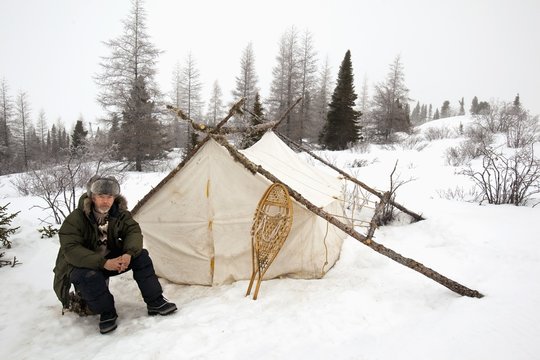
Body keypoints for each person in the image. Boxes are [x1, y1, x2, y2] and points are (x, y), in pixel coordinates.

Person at [53, 175, 177, 334]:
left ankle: (155, 302)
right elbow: (71, 250)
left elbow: (133, 231)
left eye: (109, 196)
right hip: (84, 265)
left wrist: (128, 254)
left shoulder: (119, 213)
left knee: (141, 256)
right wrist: (103, 263)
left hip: (110, 259)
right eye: (101, 196)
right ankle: (107, 313)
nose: (106, 201)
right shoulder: (76, 219)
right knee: (89, 276)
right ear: (92, 197)